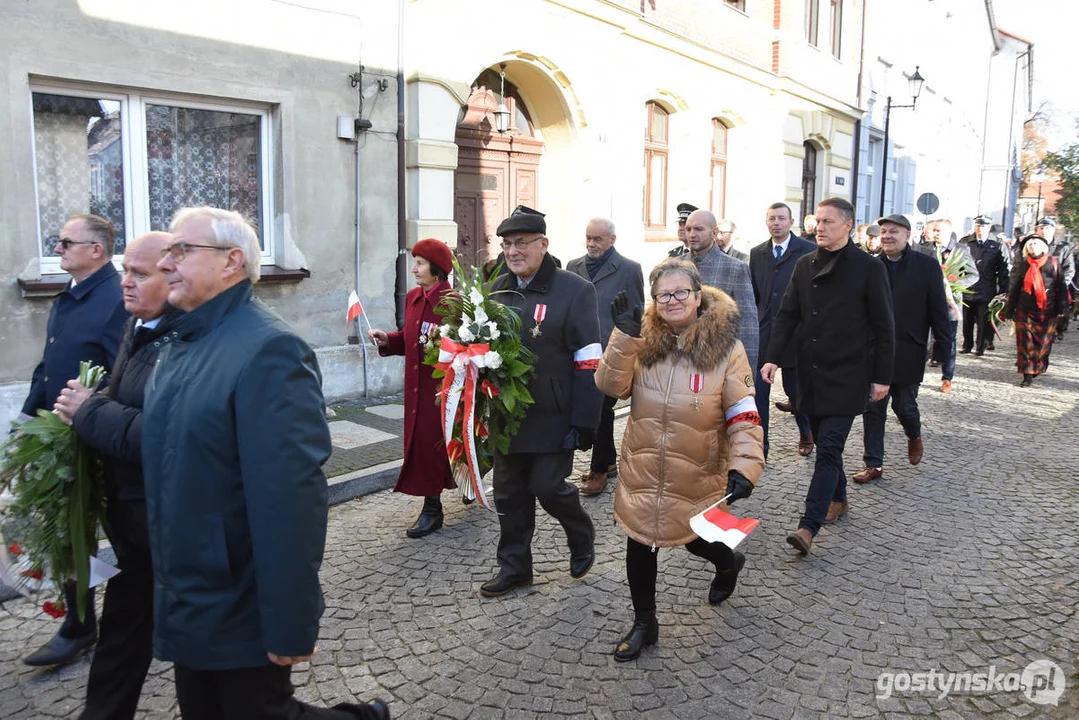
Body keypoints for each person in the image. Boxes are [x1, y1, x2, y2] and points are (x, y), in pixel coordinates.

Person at [142, 207, 388, 720]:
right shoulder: (178, 344)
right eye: (166, 252)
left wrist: (290, 620)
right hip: (187, 589)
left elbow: (290, 499)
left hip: (237, 596)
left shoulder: (269, 350)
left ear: (232, 261)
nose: (165, 263)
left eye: (180, 250)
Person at [595, 260, 764, 662]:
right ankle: (644, 623)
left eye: (681, 293)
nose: (672, 301)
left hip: (697, 468)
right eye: (663, 294)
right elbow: (609, 386)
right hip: (645, 464)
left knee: (696, 541)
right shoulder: (641, 339)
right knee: (640, 544)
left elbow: (743, 411)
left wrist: (744, 465)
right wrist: (623, 338)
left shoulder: (728, 348)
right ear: (655, 299)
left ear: (698, 294)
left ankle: (728, 563)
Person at [51, 232, 175, 720]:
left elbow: (167, 437)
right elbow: (119, 391)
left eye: (139, 274)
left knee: (238, 691)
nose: (124, 283)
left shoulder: (185, 341)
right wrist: (87, 403)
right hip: (133, 525)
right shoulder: (139, 324)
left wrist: (89, 413)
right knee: (121, 641)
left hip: (168, 529)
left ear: (175, 275)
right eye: (126, 270)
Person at [21, 214, 128, 668]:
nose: (58, 249)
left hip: (99, 437)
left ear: (96, 250)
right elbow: (49, 364)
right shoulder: (68, 296)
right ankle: (79, 627)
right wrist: (28, 419)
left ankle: (156, 611)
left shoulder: (116, 298)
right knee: (67, 532)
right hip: (59, 433)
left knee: (128, 535)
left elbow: (123, 373)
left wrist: (90, 413)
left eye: (65, 242)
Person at [480, 205, 603, 598]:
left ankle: (581, 534)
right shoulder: (496, 287)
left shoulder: (575, 290)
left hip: (554, 413)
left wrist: (586, 422)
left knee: (549, 487)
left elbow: (588, 359)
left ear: (543, 244)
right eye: (506, 244)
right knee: (509, 493)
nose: (513, 251)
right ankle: (514, 567)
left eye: (521, 243)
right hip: (507, 414)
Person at [760, 198, 894, 555]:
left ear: (848, 226)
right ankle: (839, 499)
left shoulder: (868, 268)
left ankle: (808, 526)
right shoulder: (805, 265)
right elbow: (787, 315)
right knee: (824, 445)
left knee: (830, 448)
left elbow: (884, 326)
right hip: (809, 373)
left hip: (849, 373)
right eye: (817, 221)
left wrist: (882, 377)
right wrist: (772, 357)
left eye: (828, 222)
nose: (819, 227)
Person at [851, 215, 951, 485]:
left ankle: (914, 434)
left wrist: (944, 350)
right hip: (873, 352)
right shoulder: (870, 266)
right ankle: (874, 464)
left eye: (893, 232)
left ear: (908, 235)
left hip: (908, 349)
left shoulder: (926, 266)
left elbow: (939, 311)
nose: (887, 236)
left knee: (905, 406)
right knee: (873, 409)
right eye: (883, 232)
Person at [369, 238, 457, 537]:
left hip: (443, 390)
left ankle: (460, 488)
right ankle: (432, 507)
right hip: (415, 390)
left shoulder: (454, 303)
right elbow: (410, 338)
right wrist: (388, 340)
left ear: (437, 269)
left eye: (420, 263)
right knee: (423, 447)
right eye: (414, 261)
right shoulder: (413, 298)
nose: (414, 268)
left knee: (442, 446)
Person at [566, 218, 645, 497]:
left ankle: (599, 469)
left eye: (597, 239)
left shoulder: (629, 269)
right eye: (588, 237)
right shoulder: (573, 266)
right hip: (579, 351)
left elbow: (637, 314)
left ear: (612, 239)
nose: (591, 244)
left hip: (612, 354)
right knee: (598, 411)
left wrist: (629, 349)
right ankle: (609, 461)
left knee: (600, 410)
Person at [749, 202, 816, 458]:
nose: (776, 223)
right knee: (758, 394)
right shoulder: (757, 253)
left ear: (791, 222)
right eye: (771, 219)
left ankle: (806, 431)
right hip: (764, 334)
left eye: (781, 218)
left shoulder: (808, 250)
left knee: (795, 392)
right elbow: (754, 293)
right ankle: (760, 446)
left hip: (796, 335)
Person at [684, 209, 759, 370]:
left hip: (717, 362)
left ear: (714, 232)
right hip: (677, 361)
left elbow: (747, 325)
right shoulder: (675, 265)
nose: (692, 234)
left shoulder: (735, 268)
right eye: (688, 229)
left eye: (699, 229)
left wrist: (747, 377)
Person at [914, 218, 977, 392]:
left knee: (948, 340)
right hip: (926, 303)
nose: (934, 234)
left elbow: (973, 274)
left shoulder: (961, 250)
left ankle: (947, 377)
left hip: (950, 304)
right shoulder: (925, 249)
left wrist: (955, 286)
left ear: (949, 232)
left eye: (938, 231)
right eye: (933, 230)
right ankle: (915, 377)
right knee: (923, 340)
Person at [1003, 236, 1068, 387]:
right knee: (1025, 344)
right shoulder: (1024, 264)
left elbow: (1061, 287)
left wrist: (1062, 308)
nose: (1032, 245)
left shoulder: (1053, 263)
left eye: (1035, 243)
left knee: (1043, 344)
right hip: (1025, 310)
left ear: (1043, 247)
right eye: (1029, 243)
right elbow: (1015, 288)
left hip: (1048, 310)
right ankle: (1027, 375)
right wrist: (1009, 309)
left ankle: (1038, 366)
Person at [959, 215, 1009, 355]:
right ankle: (967, 345)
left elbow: (1004, 268)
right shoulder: (965, 242)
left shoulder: (997, 244)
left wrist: (1004, 289)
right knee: (967, 321)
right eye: (978, 225)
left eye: (983, 226)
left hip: (987, 288)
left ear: (989, 227)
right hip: (967, 287)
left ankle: (980, 347)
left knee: (983, 321)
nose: (980, 228)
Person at [1035, 218, 1075, 339]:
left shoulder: (1063, 248)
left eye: (1047, 228)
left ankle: (1058, 329)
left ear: (1053, 230)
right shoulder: (1033, 245)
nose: (1043, 231)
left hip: (1056, 287)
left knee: (1058, 312)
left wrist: (1061, 284)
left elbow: (1069, 269)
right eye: (1041, 228)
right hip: (1036, 286)